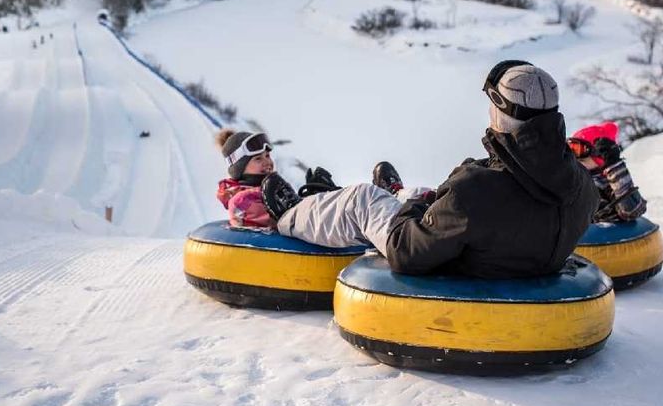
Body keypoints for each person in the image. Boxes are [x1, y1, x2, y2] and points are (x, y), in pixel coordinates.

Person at [262, 60, 599, 279]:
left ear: (499, 111)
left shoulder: (474, 189)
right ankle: (398, 195)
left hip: (454, 265)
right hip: (500, 251)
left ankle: (290, 215)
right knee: (423, 196)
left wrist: (416, 208)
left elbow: (405, 252)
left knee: (361, 200)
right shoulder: (582, 186)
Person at [215, 130, 424, 230]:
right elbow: (284, 222)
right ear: (240, 168)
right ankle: (384, 207)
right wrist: (301, 205)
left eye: (268, 156)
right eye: (258, 159)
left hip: (306, 224)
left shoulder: (266, 190)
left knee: (353, 197)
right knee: (355, 201)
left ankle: (392, 200)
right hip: (299, 233)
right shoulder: (241, 201)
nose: (267, 162)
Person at [567, 122, 647, 222]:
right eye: (571, 149)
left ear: (598, 153)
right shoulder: (574, 181)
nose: (575, 156)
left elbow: (632, 211)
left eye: (577, 149)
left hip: (604, 234)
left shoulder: (608, 184)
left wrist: (614, 166)